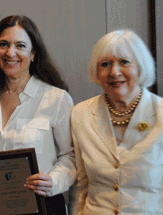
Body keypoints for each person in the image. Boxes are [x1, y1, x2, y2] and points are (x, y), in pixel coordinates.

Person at [0, 15, 76, 214]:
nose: (10, 52)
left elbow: (71, 155)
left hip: (42, 205)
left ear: (33, 54)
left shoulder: (56, 99)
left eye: (20, 45)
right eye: (3, 44)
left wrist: (53, 181)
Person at [68, 29, 163, 214]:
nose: (114, 72)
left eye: (124, 62)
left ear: (140, 67)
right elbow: (81, 185)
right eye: (105, 64)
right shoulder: (81, 114)